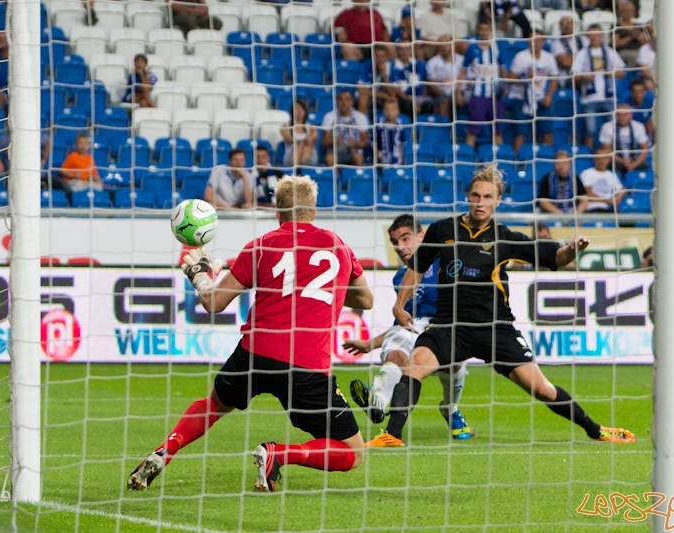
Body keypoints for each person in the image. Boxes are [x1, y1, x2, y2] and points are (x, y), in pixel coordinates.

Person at [128, 175, 374, 493]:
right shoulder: (338, 247)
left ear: (278, 212)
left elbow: (213, 303)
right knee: (353, 452)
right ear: (313, 211)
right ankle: (278, 454)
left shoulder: (260, 246)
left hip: (256, 353)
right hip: (307, 366)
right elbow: (366, 300)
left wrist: (200, 276)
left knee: (214, 404)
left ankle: (166, 450)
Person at [381, 165, 636, 446]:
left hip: (495, 328)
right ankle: (391, 435)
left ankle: (595, 429)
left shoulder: (505, 238)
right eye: (476, 195)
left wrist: (573, 249)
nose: (480, 202)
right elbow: (417, 267)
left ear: (498, 201)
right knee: (414, 365)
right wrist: (398, 304)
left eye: (487, 197)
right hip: (450, 325)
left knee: (542, 389)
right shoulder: (443, 230)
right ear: (468, 197)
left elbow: (555, 258)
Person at [343, 214, 473, 445]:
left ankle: (450, 409)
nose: (401, 247)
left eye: (406, 239)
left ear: (422, 237)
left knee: (455, 360)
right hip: (414, 328)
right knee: (398, 351)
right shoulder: (401, 278)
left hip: (444, 324)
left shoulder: (446, 262)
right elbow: (404, 322)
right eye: (396, 243)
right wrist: (368, 344)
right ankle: (379, 401)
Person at [572, 24, 626, 148]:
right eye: (591, 35)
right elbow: (574, 76)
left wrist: (610, 72)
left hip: (609, 98)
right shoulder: (581, 54)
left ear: (601, 36)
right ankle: (589, 157)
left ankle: (611, 157)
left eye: (596, 34)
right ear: (587, 37)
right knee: (590, 130)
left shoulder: (610, 52)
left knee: (612, 131)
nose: (594, 37)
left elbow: (622, 73)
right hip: (589, 99)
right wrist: (585, 76)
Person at [508, 29, 559, 154]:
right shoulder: (521, 57)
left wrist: (548, 97)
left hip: (540, 98)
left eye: (537, 40)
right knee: (521, 132)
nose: (534, 43)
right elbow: (510, 79)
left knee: (548, 132)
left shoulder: (549, 57)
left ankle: (546, 158)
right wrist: (525, 77)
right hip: (521, 98)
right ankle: (518, 161)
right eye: (531, 40)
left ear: (543, 42)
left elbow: (554, 79)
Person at [457, 20, 506, 148]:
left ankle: (500, 159)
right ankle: (468, 156)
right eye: (481, 29)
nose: (484, 32)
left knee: (498, 131)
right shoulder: (472, 48)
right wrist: (458, 91)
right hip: (478, 95)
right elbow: (463, 70)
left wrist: (506, 84)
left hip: (495, 95)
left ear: (490, 30)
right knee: (473, 130)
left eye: (486, 29)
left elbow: (502, 67)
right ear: (478, 30)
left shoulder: (495, 47)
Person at [598, 104, 650, 177]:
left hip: (634, 159)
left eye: (625, 115)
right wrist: (623, 161)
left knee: (644, 168)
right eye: (619, 115)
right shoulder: (607, 127)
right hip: (616, 160)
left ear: (630, 115)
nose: (622, 118)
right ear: (616, 115)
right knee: (612, 166)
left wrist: (635, 164)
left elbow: (644, 148)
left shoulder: (639, 126)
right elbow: (606, 150)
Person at [321, 90, 370, 167]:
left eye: (347, 100)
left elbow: (365, 142)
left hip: (353, 152)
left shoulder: (360, 117)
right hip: (335, 153)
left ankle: (356, 177)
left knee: (358, 158)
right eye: (341, 99)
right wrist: (334, 142)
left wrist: (355, 144)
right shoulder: (329, 117)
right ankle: (336, 178)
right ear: (337, 102)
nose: (344, 103)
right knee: (329, 158)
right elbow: (324, 142)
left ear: (351, 102)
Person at [426, 35, 464, 119]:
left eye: (446, 44)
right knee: (445, 101)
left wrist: (458, 93)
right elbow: (432, 86)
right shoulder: (432, 63)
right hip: (442, 95)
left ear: (452, 45)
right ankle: (444, 130)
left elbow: (469, 80)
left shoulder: (462, 60)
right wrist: (447, 95)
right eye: (440, 44)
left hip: (461, 92)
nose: (443, 47)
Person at [390, 39, 430, 117]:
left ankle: (424, 128)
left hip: (419, 97)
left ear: (411, 50)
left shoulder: (420, 65)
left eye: (407, 49)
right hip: (403, 98)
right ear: (397, 51)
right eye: (401, 49)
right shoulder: (392, 66)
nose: (404, 52)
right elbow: (395, 89)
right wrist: (412, 101)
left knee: (428, 105)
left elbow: (425, 83)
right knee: (407, 105)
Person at [579, 147, 625, 213]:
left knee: (628, 221)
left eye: (604, 158)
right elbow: (588, 194)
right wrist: (610, 201)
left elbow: (622, 189)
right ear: (594, 159)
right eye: (599, 158)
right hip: (591, 208)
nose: (601, 161)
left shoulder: (612, 175)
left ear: (609, 160)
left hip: (607, 209)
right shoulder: (587, 173)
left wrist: (618, 198)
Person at [549, 16, 589, 88]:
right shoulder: (556, 43)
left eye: (569, 23)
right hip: (567, 81)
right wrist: (583, 58)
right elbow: (565, 62)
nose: (567, 26)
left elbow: (591, 56)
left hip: (585, 79)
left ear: (575, 25)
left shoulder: (584, 39)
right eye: (564, 24)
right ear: (560, 27)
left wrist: (572, 58)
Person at [357, 44, 393, 117]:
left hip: (382, 99)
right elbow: (362, 90)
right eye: (377, 56)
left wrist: (384, 76)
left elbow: (392, 93)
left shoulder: (391, 67)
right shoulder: (364, 66)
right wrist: (382, 95)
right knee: (363, 98)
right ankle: (365, 126)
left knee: (393, 99)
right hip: (370, 97)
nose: (379, 59)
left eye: (382, 56)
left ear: (386, 57)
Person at [280, 101, 318, 167]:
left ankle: (303, 168)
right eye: (297, 109)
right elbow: (288, 139)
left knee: (307, 146)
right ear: (292, 111)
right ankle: (299, 170)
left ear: (305, 111)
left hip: (310, 154)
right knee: (299, 146)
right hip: (291, 155)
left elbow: (314, 138)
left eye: (301, 109)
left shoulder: (311, 126)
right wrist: (302, 141)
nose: (299, 111)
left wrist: (310, 139)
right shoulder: (285, 127)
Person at [613, 1, 649, 68]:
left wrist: (638, 37)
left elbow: (646, 43)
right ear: (620, 12)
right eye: (625, 10)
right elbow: (615, 43)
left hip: (639, 50)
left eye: (630, 10)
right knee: (633, 56)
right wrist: (630, 37)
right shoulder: (616, 27)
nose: (628, 13)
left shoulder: (638, 26)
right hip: (623, 52)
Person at [374, 97, 406, 167]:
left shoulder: (400, 125)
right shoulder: (379, 124)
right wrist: (378, 154)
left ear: (397, 111)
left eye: (392, 109)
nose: (389, 112)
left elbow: (401, 143)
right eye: (387, 109)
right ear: (383, 110)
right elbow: (373, 141)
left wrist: (400, 157)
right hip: (381, 157)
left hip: (395, 156)